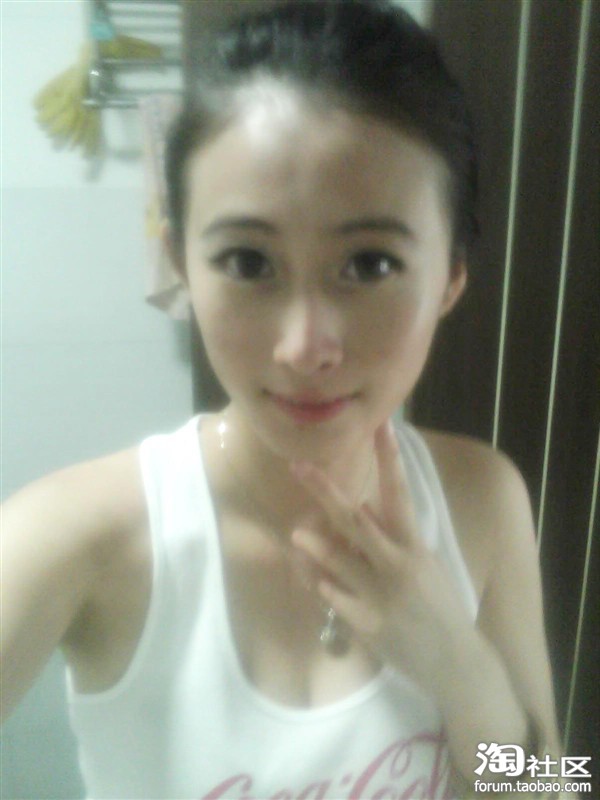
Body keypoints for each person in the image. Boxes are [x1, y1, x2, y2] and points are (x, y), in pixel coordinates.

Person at [2, 2, 566, 798]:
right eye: (247, 261)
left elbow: (553, 784)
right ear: (182, 265)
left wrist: (458, 663)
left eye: (369, 265)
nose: (304, 348)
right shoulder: (74, 538)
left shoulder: (484, 499)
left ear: (450, 278)